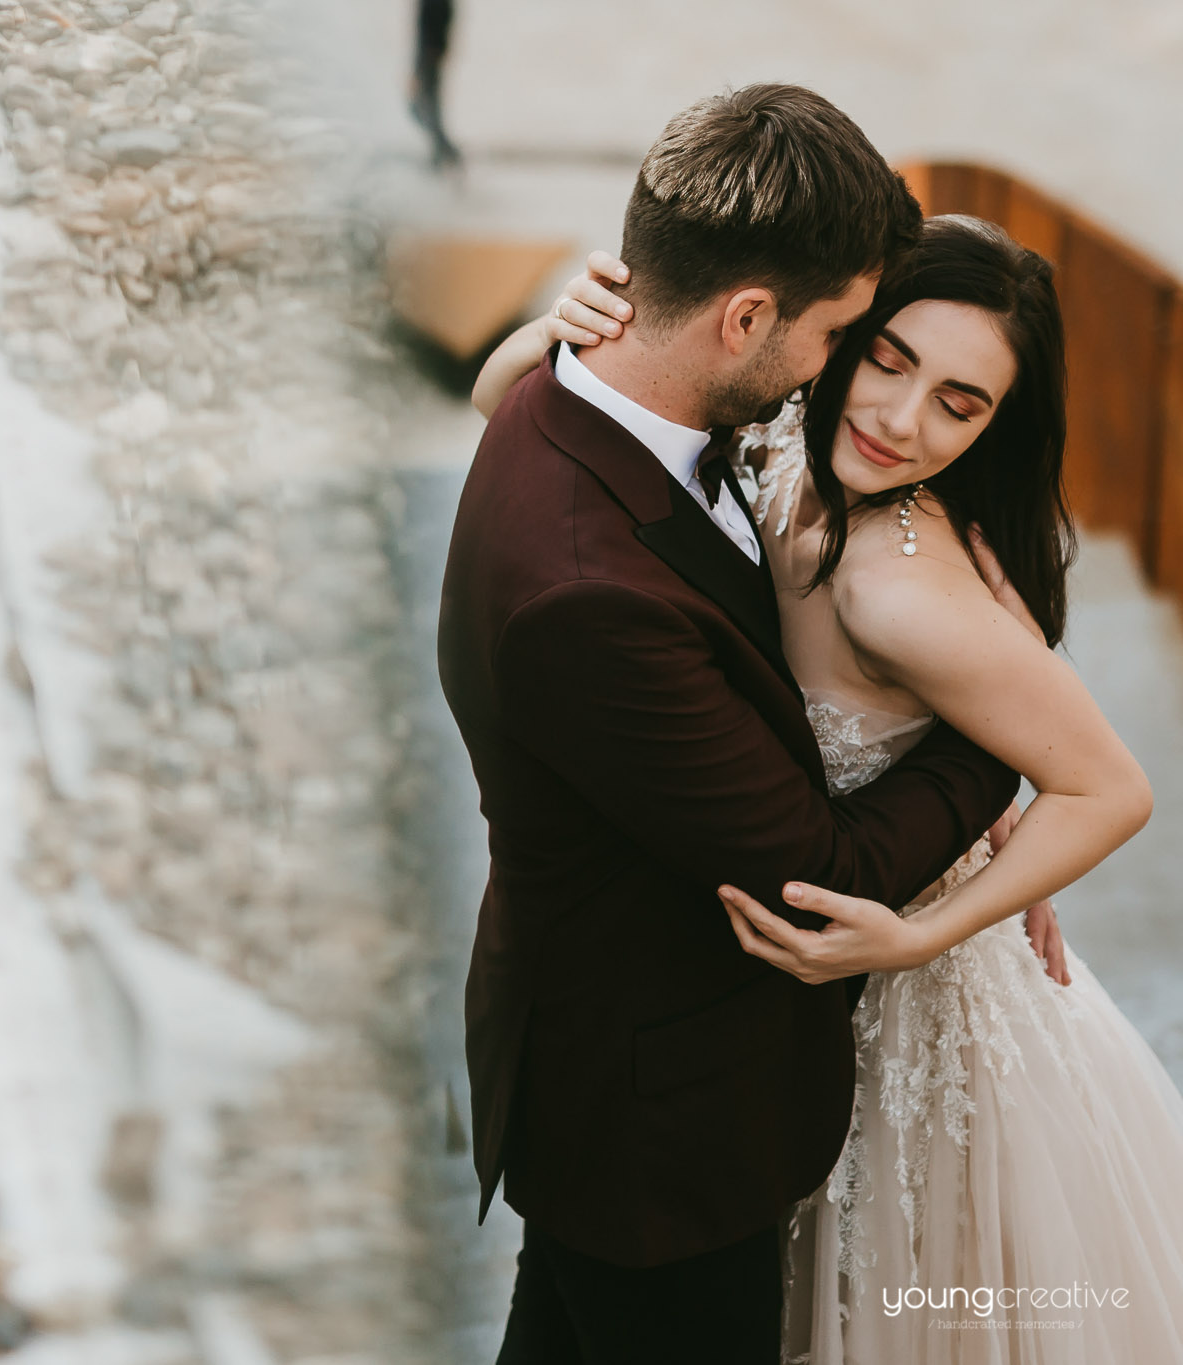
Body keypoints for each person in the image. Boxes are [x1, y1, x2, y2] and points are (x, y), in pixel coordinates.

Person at [480, 217, 1183, 1360]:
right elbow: (497, 406)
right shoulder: (778, 443)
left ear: (997, 424)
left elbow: (1108, 788)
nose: (898, 422)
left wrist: (923, 936)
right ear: (839, 333)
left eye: (959, 405)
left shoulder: (900, 588)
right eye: (889, 360)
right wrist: (552, 328)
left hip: (896, 997)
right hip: (773, 991)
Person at [438, 84, 1023, 1364]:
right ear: (744, 316)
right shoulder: (589, 595)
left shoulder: (571, 388)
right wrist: (993, 746)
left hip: (610, 1075)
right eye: (837, 338)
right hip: (655, 1127)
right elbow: (817, 875)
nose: (836, 376)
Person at [411, 0, 461, 168]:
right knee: (423, 108)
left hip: (429, 59)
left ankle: (443, 153)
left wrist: (421, 66)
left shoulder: (435, 4)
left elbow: (429, 34)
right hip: (430, 58)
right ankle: (442, 152)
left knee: (422, 107)